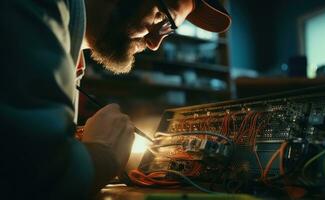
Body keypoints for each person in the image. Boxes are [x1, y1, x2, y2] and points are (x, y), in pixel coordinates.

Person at [0, 0, 231, 199]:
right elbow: (38, 179)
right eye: (161, 18)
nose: (154, 44)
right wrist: (105, 154)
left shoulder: (69, 51)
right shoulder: (39, 7)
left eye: (167, 31)